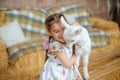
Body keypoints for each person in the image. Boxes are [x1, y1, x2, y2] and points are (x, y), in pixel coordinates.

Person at [40, 13, 82, 80]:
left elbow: (77, 25)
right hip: (57, 74)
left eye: (64, 29)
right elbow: (68, 64)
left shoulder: (67, 38)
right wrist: (75, 55)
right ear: (50, 33)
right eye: (56, 31)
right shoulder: (56, 47)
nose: (62, 34)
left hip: (65, 71)